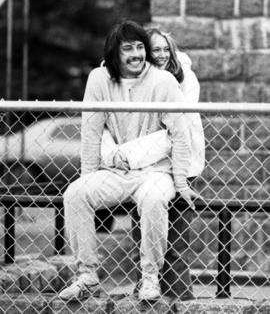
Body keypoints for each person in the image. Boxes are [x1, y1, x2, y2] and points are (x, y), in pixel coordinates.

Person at [59, 20, 200, 302]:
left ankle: (150, 276)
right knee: (75, 193)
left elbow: (180, 134)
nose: (136, 54)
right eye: (128, 49)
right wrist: (87, 176)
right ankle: (86, 276)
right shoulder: (98, 79)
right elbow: (91, 131)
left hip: (156, 173)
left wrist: (181, 181)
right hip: (115, 171)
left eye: (140, 47)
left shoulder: (164, 81)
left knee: (153, 199)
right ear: (114, 52)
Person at [101, 28, 205, 299]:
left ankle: (181, 301)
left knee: (175, 245)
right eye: (153, 49)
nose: (159, 55)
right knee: (144, 239)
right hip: (146, 169)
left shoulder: (185, 79)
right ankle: (145, 297)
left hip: (179, 168)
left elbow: (175, 126)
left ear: (172, 51)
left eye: (164, 49)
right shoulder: (135, 81)